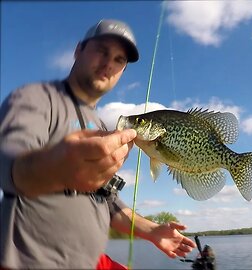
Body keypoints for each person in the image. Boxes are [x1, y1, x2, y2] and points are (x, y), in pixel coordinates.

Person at [0, 19, 196, 269]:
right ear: (78, 50)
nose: (108, 64)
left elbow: (107, 200)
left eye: (119, 60)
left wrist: (152, 231)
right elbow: (8, 164)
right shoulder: (36, 99)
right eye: (102, 51)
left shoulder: (102, 128)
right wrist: (56, 168)